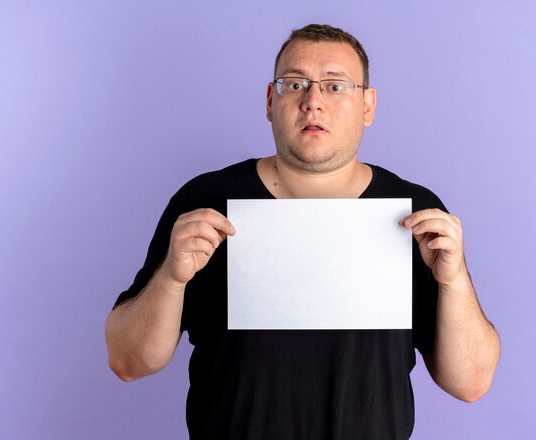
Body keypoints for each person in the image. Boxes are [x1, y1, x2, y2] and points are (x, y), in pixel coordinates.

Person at [105, 24, 500, 440]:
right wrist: (171, 277)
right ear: (271, 101)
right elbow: (128, 361)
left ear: (368, 105)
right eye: (295, 84)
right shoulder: (205, 200)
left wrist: (454, 282)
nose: (313, 102)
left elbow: (470, 383)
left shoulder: (416, 214)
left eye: (335, 86)